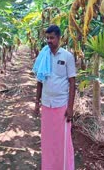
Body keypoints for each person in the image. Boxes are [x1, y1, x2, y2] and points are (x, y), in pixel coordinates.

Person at [33, 24, 76, 170]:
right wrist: (36, 103)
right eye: (47, 38)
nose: (49, 41)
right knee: (48, 140)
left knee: (62, 141)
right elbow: (39, 80)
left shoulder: (67, 56)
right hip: (46, 104)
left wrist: (70, 107)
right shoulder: (43, 55)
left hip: (61, 105)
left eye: (52, 38)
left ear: (59, 38)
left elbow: (72, 82)